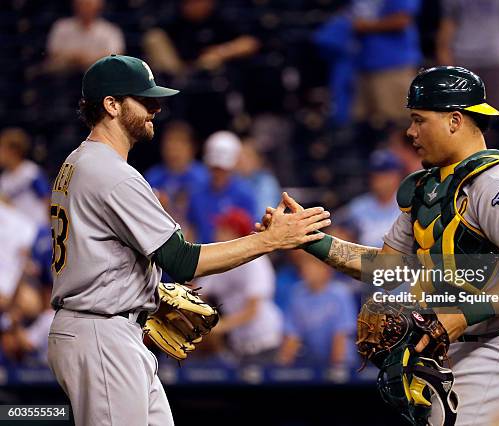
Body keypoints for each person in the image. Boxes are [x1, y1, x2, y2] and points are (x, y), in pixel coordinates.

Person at [259, 66, 499, 425]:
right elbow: (384, 268)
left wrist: (462, 317)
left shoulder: (497, 187)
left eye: (419, 120)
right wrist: (308, 238)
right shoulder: (427, 190)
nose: (410, 132)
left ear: (455, 120)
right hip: (451, 351)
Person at [47, 54, 331, 426]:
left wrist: (147, 290)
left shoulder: (80, 163)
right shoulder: (112, 174)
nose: (155, 108)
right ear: (111, 105)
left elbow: (110, 252)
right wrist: (270, 241)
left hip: (108, 327)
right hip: (102, 333)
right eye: (144, 100)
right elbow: (180, 259)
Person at [197, 208, 283, 364]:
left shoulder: (255, 262)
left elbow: (252, 310)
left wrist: (218, 327)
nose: (216, 233)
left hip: (265, 344)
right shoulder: (218, 261)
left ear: (235, 235)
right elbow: (196, 294)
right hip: (238, 346)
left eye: (223, 229)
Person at [436, 0, 499, 112]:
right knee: (462, 116)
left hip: (495, 61)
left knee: (493, 117)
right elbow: (447, 24)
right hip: (462, 61)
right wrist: (445, 59)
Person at [276, 250, 358, 367]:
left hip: (343, 363)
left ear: (326, 270)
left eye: (312, 266)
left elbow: (341, 335)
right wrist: (282, 368)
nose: (306, 270)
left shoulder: (340, 294)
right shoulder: (297, 293)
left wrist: (336, 370)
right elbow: (292, 335)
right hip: (312, 362)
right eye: (304, 266)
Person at [350, 0, 423, 125]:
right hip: (362, 64)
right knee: (364, 125)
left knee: (398, 125)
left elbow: (402, 19)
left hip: (393, 65)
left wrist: (365, 26)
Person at [187, 131, 256, 243]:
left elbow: (250, 232)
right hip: (203, 254)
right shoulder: (196, 193)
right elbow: (191, 229)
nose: (218, 173)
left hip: (237, 254)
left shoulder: (245, 193)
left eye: (223, 169)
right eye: (215, 168)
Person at [145, 121, 208, 224]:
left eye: (179, 144)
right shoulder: (153, 177)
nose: (173, 150)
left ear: (192, 147)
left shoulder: (204, 178)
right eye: (169, 143)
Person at [341, 149, 404, 248]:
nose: (380, 181)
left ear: (397, 176)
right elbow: (337, 230)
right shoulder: (359, 206)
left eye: (385, 175)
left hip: (401, 260)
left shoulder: (409, 203)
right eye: (375, 176)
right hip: (368, 259)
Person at [46, 0, 125, 73]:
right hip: (63, 77)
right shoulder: (61, 27)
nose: (86, 9)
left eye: (89, 4)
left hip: (99, 77)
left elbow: (115, 58)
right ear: (75, 5)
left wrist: (86, 59)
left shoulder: (111, 31)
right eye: (82, 4)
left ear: (99, 7)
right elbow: (53, 54)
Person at [0, 127, 50, 226]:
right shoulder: (4, 179)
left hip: (38, 226)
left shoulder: (30, 171)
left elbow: (46, 199)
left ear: (12, 151)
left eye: (2, 149)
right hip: (20, 230)